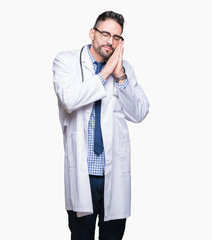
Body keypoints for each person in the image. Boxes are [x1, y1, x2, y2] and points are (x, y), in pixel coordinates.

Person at [52, 11, 149, 240]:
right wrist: (106, 73)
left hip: (112, 174)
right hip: (82, 174)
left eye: (117, 37)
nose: (110, 41)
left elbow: (139, 113)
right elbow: (69, 99)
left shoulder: (124, 70)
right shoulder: (66, 61)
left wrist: (121, 76)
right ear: (92, 33)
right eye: (106, 34)